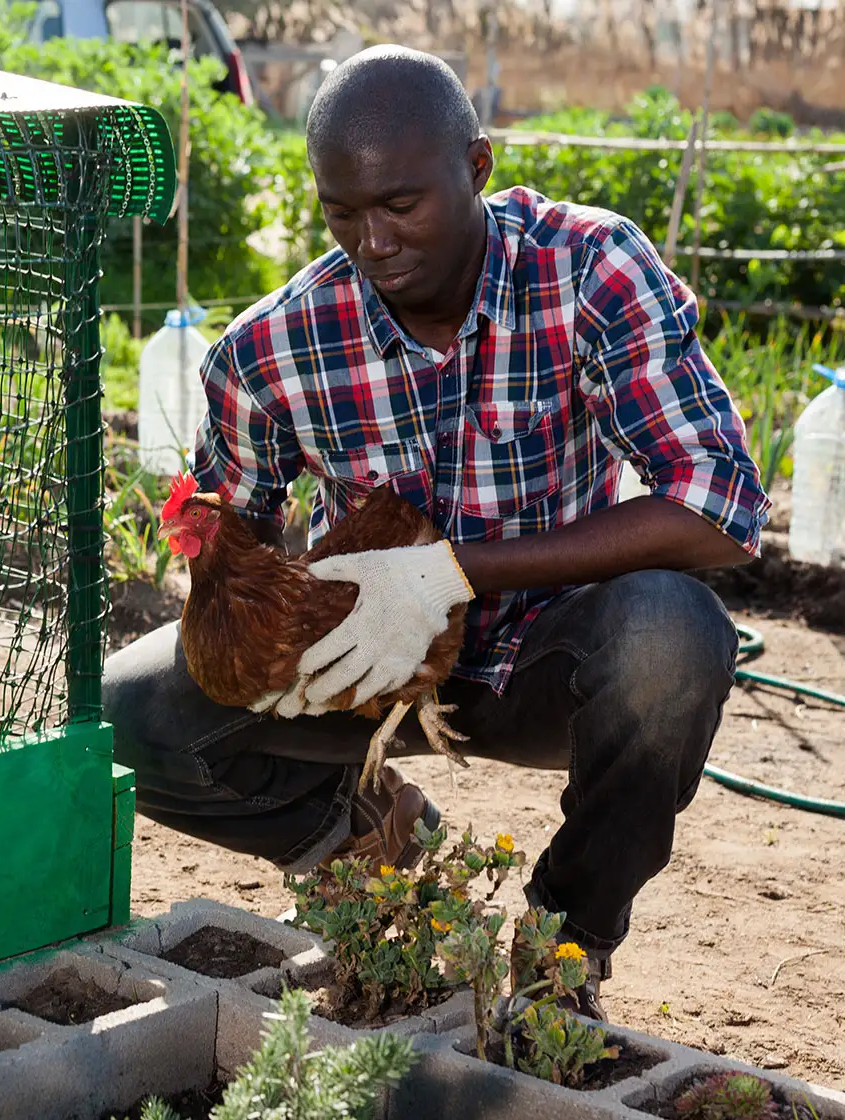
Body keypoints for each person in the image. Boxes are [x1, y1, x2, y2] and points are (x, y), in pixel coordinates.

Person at [104, 45, 770, 1019]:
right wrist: (237, 580)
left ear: (476, 168)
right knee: (130, 713)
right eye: (343, 211)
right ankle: (374, 847)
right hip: (371, 663)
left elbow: (721, 507)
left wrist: (453, 570)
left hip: (553, 657)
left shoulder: (586, 270)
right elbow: (226, 532)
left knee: (672, 633)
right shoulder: (272, 349)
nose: (372, 240)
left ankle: (562, 949)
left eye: (400, 204)